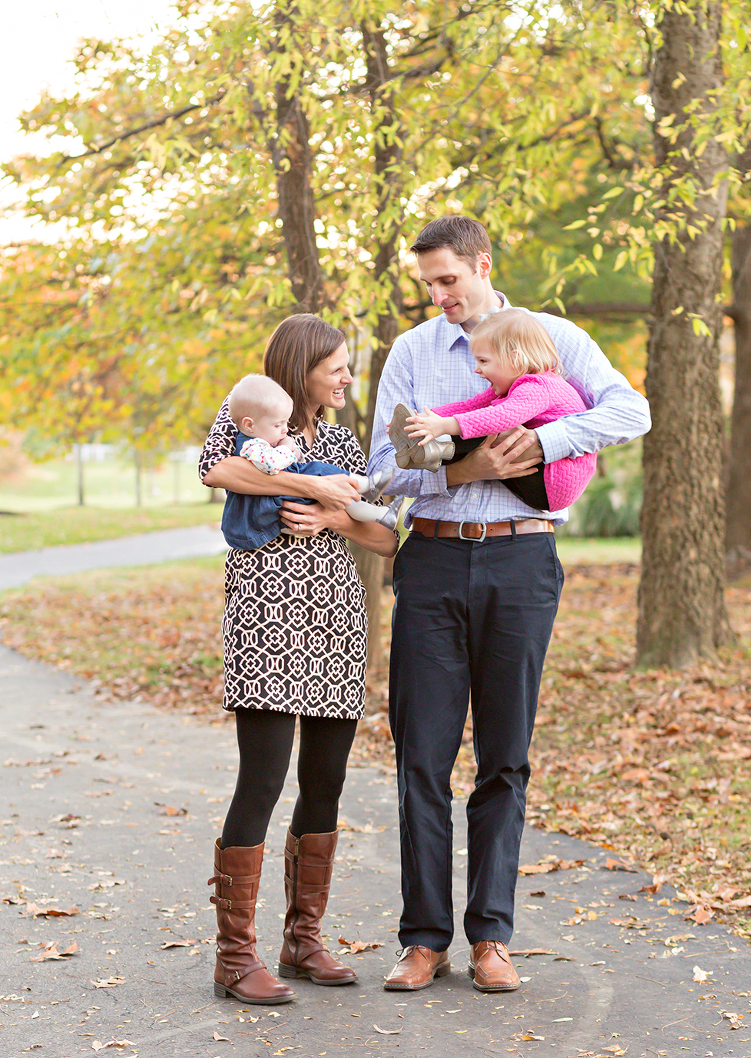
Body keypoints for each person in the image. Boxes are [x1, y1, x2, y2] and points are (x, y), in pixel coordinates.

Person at [368, 216, 651, 994]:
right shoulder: (413, 353)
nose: (438, 296)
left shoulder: (553, 339)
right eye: (427, 284)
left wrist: (550, 445)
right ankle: (422, 939)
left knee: (506, 755)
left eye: (449, 280)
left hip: (523, 559)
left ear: (483, 264)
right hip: (430, 561)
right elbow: (382, 471)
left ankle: (491, 935)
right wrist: (462, 473)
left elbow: (633, 412)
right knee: (421, 756)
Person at [199, 314, 398, 1006]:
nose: (347, 377)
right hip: (268, 617)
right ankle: (234, 955)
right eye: (337, 366)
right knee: (263, 778)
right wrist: (314, 487)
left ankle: (302, 938)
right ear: (302, 365)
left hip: (335, 620)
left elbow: (384, 541)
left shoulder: (343, 438)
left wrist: (338, 516)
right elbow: (216, 469)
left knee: (325, 780)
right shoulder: (251, 418)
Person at [388, 308, 597, 513]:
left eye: (483, 361)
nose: (477, 369)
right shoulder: (511, 386)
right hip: (543, 474)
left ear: (515, 359)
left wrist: (442, 426)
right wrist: (423, 419)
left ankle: (433, 451)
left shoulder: (539, 387)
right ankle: (425, 448)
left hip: (551, 483)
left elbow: (501, 417)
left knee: (491, 424)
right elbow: (470, 406)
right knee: (481, 416)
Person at [221, 372, 401, 550]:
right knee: (319, 470)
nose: (285, 430)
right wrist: (288, 449)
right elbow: (266, 464)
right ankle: (366, 486)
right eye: (336, 370)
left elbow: (389, 544)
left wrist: (332, 518)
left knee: (344, 496)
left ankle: (380, 512)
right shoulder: (254, 427)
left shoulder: (341, 438)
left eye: (286, 423)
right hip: (275, 516)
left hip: (333, 572)